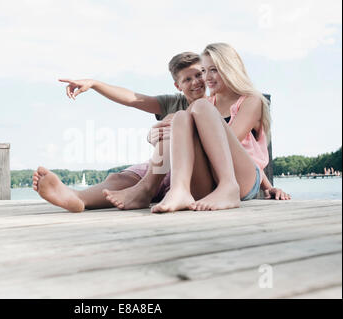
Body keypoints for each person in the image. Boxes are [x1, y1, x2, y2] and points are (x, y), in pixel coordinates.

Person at [32, 52, 207, 212]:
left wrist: (170, 126)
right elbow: (133, 98)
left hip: (194, 169)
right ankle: (77, 198)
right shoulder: (174, 102)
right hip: (164, 164)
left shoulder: (217, 101)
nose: (195, 82)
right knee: (122, 178)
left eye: (199, 75)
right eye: (187, 79)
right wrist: (95, 84)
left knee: (171, 122)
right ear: (178, 86)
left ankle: (146, 191)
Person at [147, 43, 291, 213]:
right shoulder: (206, 105)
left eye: (213, 70)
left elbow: (232, 144)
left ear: (229, 68)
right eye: (204, 71)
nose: (207, 77)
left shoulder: (251, 101)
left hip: (241, 180)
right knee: (181, 116)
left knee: (197, 108)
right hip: (209, 183)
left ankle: (228, 187)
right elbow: (179, 133)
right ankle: (179, 189)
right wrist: (154, 135)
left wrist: (267, 186)